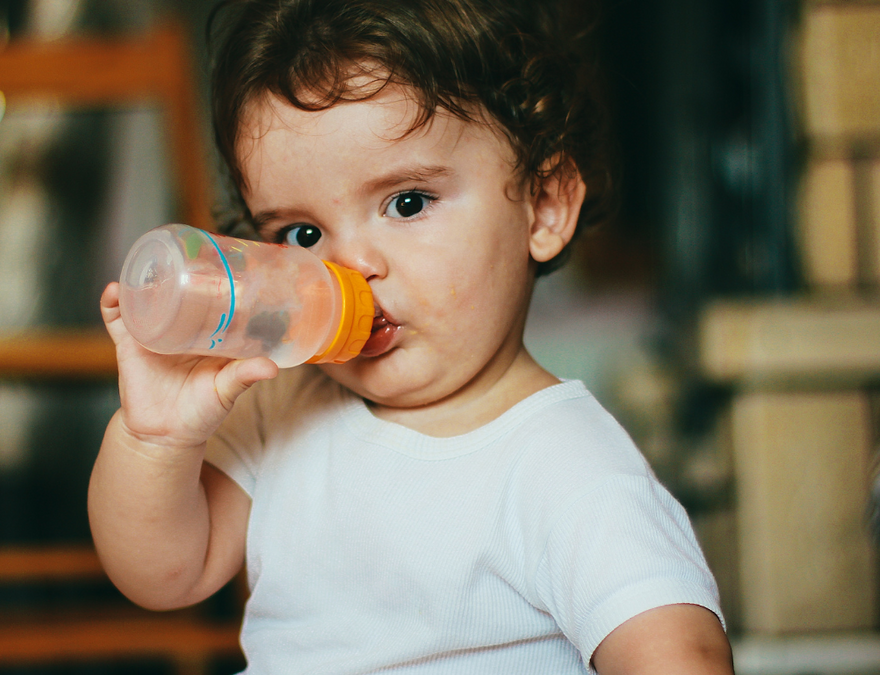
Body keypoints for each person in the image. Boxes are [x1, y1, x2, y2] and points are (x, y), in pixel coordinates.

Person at [88, 0, 734, 672]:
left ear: (543, 206)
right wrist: (157, 439)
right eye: (301, 234)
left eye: (407, 202)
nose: (350, 265)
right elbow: (162, 574)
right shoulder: (279, 407)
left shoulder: (565, 465)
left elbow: (678, 654)